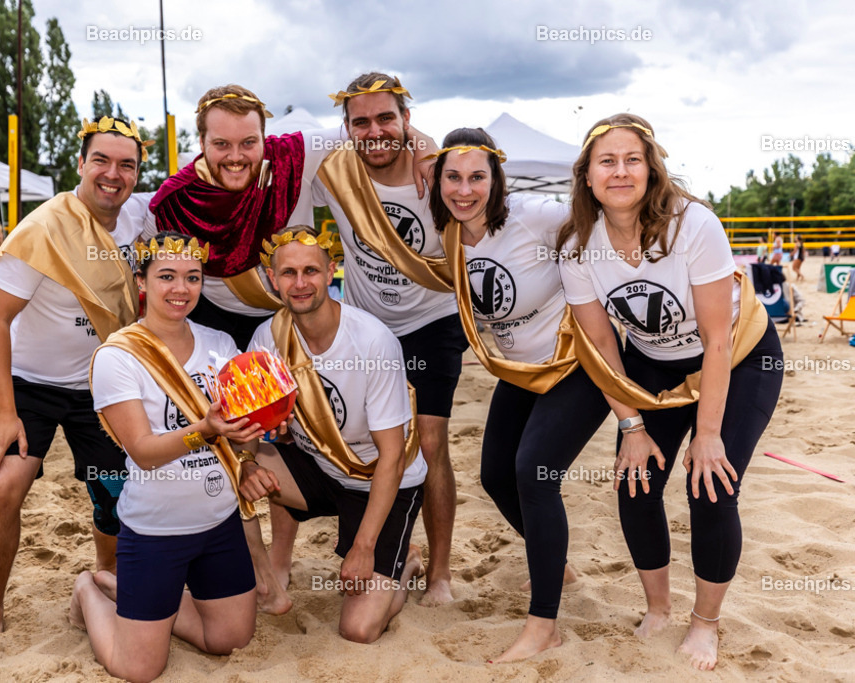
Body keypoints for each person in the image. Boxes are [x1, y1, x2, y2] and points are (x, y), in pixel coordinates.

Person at [556, 114, 783, 671]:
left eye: (633, 159)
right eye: (606, 161)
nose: (620, 171)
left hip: (739, 353)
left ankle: (705, 624)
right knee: (635, 483)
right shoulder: (577, 246)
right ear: (587, 176)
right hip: (653, 364)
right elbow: (603, 348)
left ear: (651, 169)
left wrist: (707, 435)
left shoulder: (692, 225)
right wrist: (630, 427)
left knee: (710, 485)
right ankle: (658, 608)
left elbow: (715, 339)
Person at [427, 128, 610, 660]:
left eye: (478, 176)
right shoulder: (452, 234)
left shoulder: (535, 216)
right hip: (518, 370)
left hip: (576, 362)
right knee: (494, 475)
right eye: (454, 177)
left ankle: (543, 626)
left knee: (535, 473)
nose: (465, 189)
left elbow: (602, 221)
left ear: (496, 179)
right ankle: (559, 565)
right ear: (438, 182)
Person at [0, 115, 149, 633]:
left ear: (137, 174)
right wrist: (4, 413)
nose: (112, 174)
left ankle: (108, 580)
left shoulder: (139, 216)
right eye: (101, 160)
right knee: (3, 487)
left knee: (116, 492)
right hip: (29, 385)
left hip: (104, 381)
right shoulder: (43, 229)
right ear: (80, 164)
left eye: (126, 165)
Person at [71, 235, 262, 682]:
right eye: (167, 276)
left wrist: (250, 458)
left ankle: (136, 597)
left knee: (231, 640)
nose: (181, 288)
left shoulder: (221, 344)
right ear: (141, 281)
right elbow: (142, 450)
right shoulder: (118, 355)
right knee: (138, 669)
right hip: (156, 529)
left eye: (192, 277)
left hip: (219, 522)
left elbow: (246, 427)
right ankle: (88, 589)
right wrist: (206, 429)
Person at [304, 72, 463, 605]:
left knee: (431, 440)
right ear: (346, 128)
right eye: (361, 121)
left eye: (386, 118)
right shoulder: (334, 170)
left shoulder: (439, 175)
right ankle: (403, 549)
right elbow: (266, 154)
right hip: (367, 323)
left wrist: (429, 148)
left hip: (433, 319)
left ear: (407, 120)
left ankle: (439, 571)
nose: (374, 131)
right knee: (376, 439)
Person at [241, 226, 428, 644]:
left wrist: (363, 548)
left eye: (311, 270)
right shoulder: (267, 337)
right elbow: (251, 427)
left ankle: (406, 563)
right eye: (288, 273)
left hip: (383, 480)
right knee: (224, 467)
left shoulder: (372, 340)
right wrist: (248, 462)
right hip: (322, 469)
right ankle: (269, 575)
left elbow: (393, 456)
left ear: (331, 272)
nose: (300, 283)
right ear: (273, 280)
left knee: (358, 629)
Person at [149, 84, 434, 350]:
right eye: (221, 144)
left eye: (248, 142)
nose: (235, 157)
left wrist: (427, 146)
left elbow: (370, 128)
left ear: (265, 137)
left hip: (290, 317)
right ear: (202, 142)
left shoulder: (295, 156)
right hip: (211, 324)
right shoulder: (175, 200)